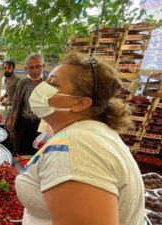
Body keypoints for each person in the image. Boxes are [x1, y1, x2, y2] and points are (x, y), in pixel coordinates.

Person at [15, 52, 144, 225]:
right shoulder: (89, 133)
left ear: (80, 103)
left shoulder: (76, 148)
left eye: (52, 83)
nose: (42, 88)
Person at [6, 53, 45, 156]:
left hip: (40, 124)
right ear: (26, 69)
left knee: (36, 153)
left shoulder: (48, 83)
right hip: (23, 122)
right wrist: (10, 118)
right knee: (19, 151)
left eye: (38, 66)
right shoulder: (23, 82)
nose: (35, 71)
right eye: (31, 67)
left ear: (43, 66)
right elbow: (16, 101)